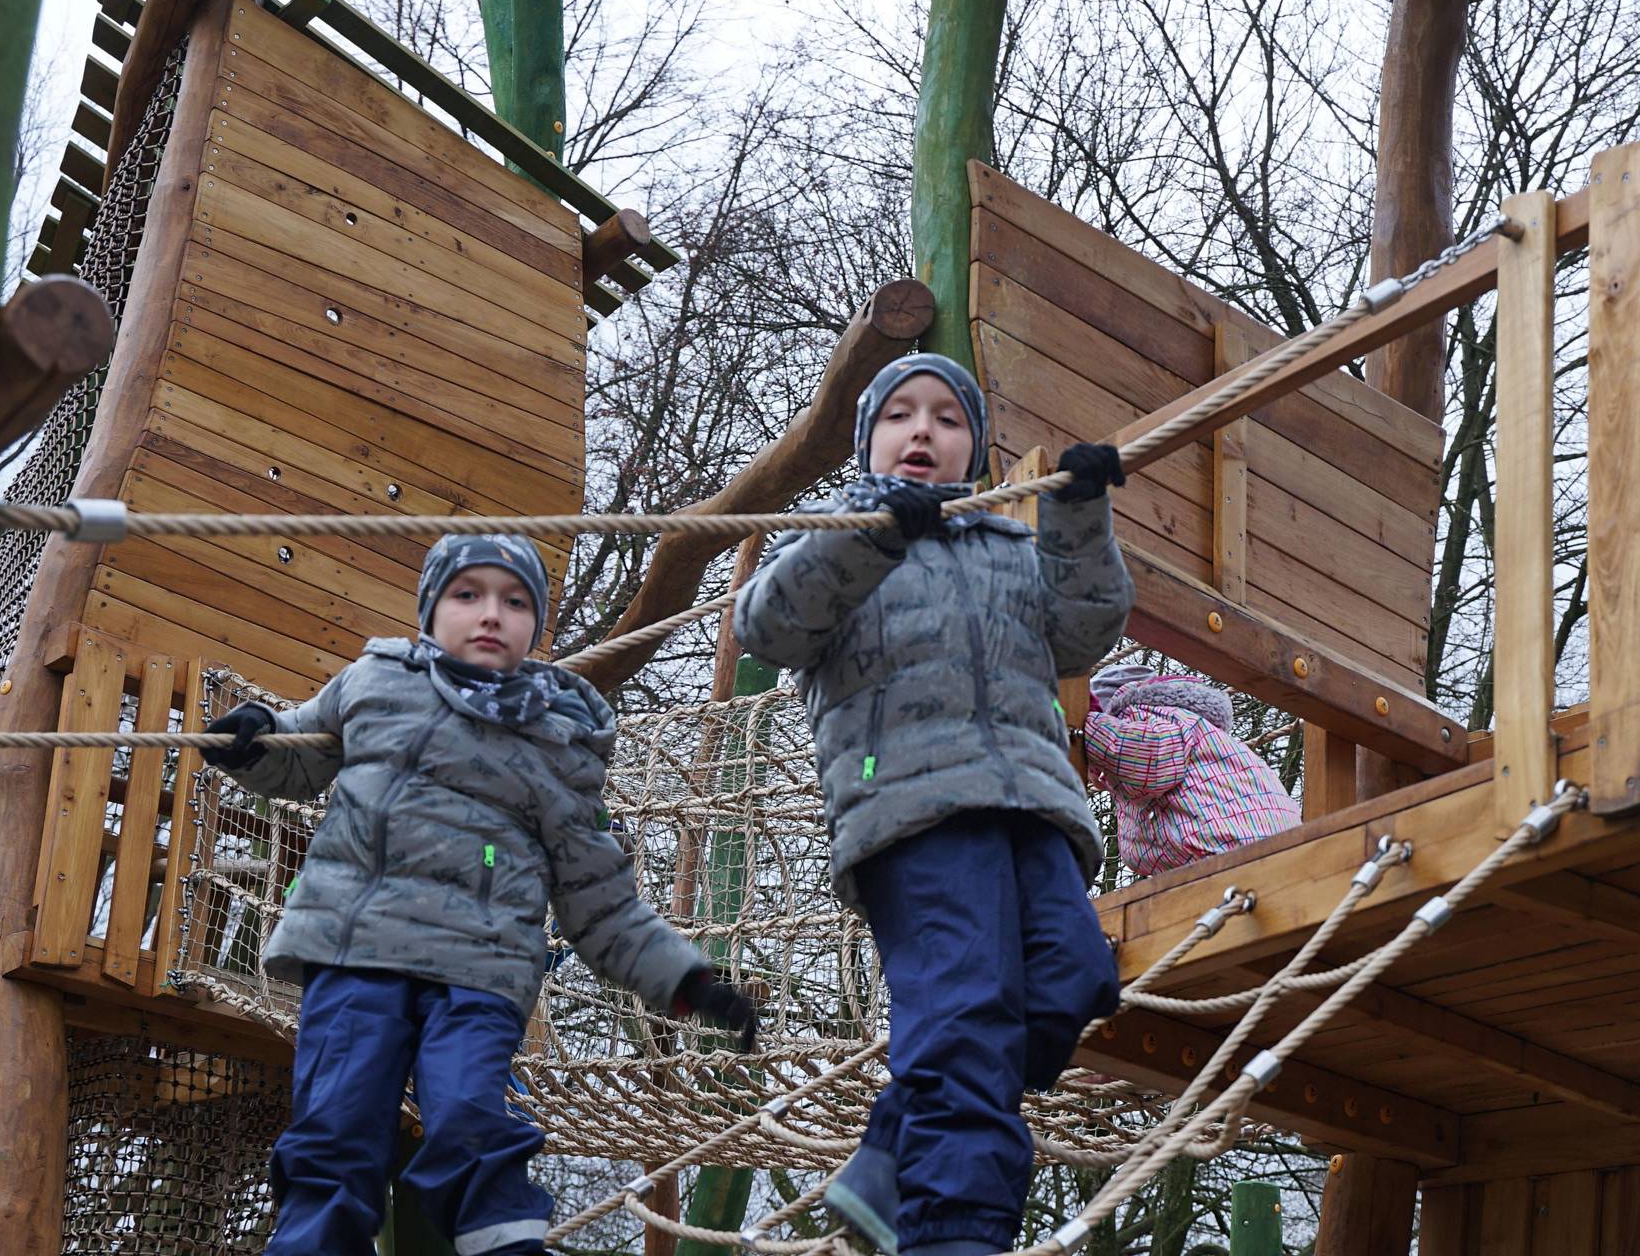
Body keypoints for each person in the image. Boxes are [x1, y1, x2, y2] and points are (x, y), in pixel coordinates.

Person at [203, 534, 760, 1256]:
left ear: (536, 625)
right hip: (354, 951)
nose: (491, 614)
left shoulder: (559, 738)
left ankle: (504, 1246)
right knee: (335, 1126)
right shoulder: (376, 680)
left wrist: (688, 983)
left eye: (516, 601)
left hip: (477, 972)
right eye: (468, 595)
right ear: (431, 610)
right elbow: (301, 755)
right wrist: (255, 738)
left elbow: (601, 903)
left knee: (469, 1118)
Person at [732, 352, 1132, 1256]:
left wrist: (1079, 513)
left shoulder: (1013, 547)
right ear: (870, 440)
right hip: (913, 813)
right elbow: (768, 626)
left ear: (974, 451)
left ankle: (888, 1151)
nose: (923, 432)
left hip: (1033, 806)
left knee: (1074, 977)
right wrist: (871, 533)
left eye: (947, 420)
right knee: (965, 1013)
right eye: (901, 416)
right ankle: (953, 1230)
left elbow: (1086, 631)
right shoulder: (840, 537)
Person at [1082, 664, 1302, 878]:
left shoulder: (1150, 717)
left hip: (1235, 848)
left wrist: (1085, 727)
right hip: (1282, 846)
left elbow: (1144, 756)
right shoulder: (1204, 736)